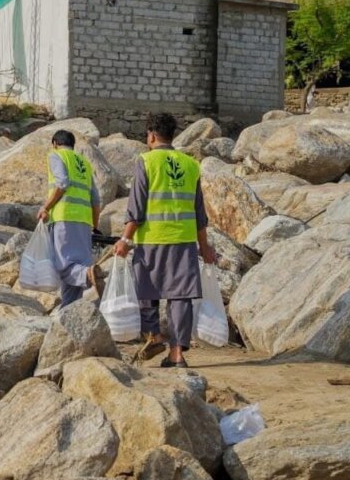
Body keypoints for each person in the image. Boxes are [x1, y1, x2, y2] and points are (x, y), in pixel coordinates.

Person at [113, 113, 218, 369]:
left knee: (146, 292)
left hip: (152, 240)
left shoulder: (146, 162)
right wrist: (204, 248)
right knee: (180, 297)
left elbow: (136, 207)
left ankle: (155, 335)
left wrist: (125, 239)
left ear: (150, 135)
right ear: (173, 135)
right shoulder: (191, 164)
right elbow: (199, 213)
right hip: (183, 241)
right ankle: (177, 354)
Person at [34, 130, 103, 308]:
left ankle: (87, 275)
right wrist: (95, 227)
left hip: (64, 217)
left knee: (62, 265)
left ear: (55, 143)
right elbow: (95, 199)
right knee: (77, 264)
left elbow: (62, 183)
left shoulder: (56, 156)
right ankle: (70, 308)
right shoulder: (84, 163)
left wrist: (45, 207)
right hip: (84, 221)